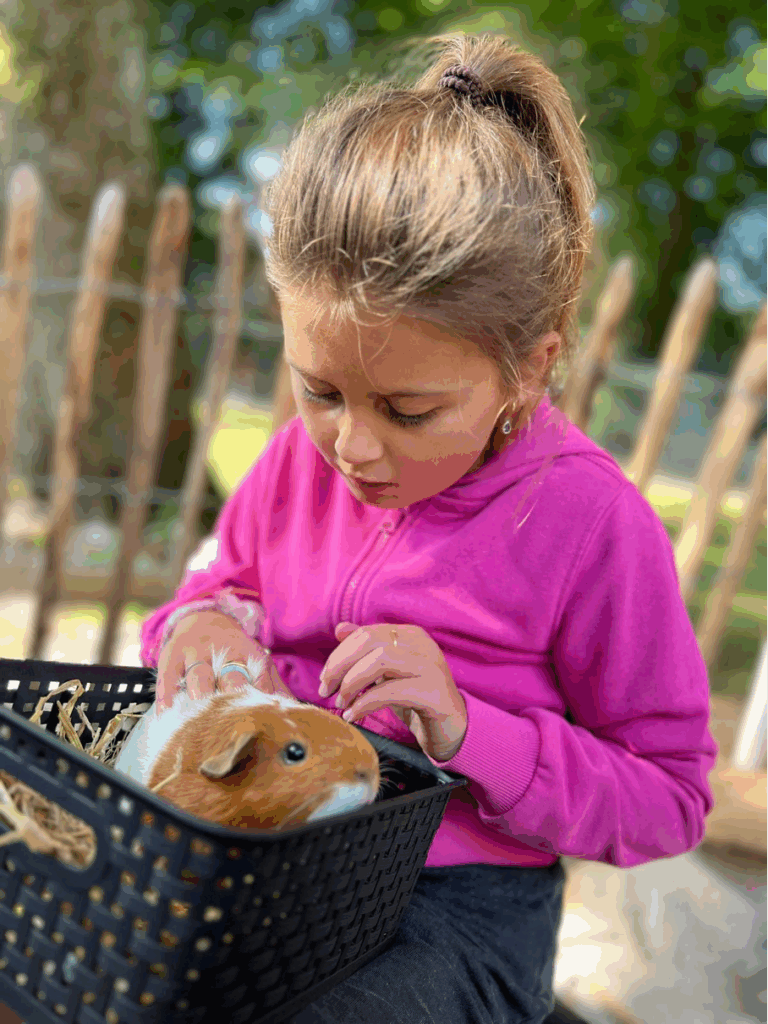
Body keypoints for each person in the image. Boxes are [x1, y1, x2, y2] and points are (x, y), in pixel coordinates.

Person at [139, 31, 718, 1024]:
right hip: (267, 860)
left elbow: (670, 795)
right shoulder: (295, 460)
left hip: (459, 914)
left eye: (409, 412)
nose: (352, 446)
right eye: (319, 389)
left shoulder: (593, 525)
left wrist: (471, 732)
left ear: (529, 369)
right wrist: (197, 626)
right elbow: (214, 587)